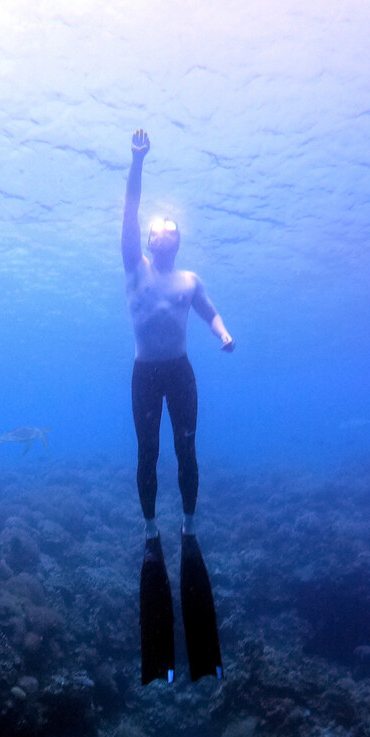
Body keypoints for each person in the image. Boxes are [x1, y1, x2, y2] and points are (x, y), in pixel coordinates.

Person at [122, 128, 233, 684]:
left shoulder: (190, 278)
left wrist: (223, 334)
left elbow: (209, 310)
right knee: (149, 456)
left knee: (187, 455)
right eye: (155, 228)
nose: (162, 232)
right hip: (146, 373)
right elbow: (129, 209)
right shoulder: (133, 267)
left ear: (180, 239)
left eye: (171, 227)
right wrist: (137, 161)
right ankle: (151, 533)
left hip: (182, 372)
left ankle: (187, 531)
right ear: (147, 238)